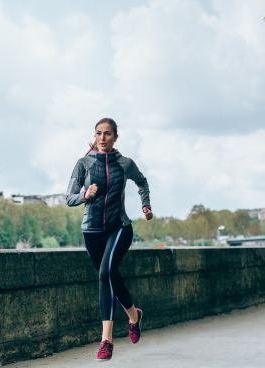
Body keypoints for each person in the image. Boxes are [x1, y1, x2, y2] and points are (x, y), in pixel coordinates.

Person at [66, 118, 153, 362]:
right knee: (111, 276)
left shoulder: (125, 164)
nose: (102, 138)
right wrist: (85, 194)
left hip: (119, 227)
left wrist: (145, 205)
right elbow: (69, 197)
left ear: (116, 136)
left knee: (105, 275)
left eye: (107, 134)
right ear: (94, 136)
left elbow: (142, 181)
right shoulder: (83, 164)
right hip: (91, 231)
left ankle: (106, 340)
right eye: (98, 134)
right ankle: (134, 316)